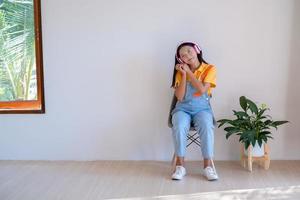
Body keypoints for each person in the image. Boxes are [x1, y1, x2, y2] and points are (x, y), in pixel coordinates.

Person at [170, 41, 218, 181]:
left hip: (202, 109)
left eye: (189, 51)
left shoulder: (210, 69)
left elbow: (202, 90)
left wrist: (189, 72)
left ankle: (208, 167)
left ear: (197, 50)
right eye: (183, 56)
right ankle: (180, 167)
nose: (187, 56)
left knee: (206, 126)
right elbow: (180, 96)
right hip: (182, 109)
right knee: (179, 125)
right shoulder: (180, 73)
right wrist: (183, 74)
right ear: (180, 60)